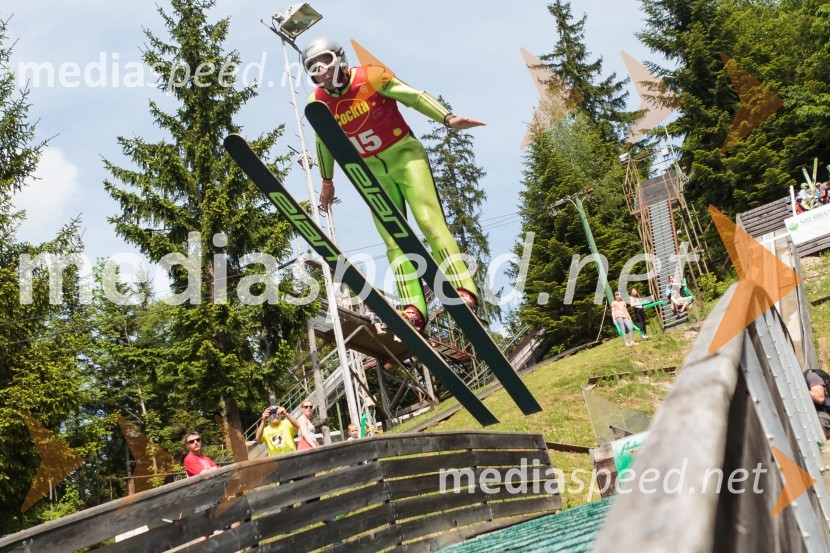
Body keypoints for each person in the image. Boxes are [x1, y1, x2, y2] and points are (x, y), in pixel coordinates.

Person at [303, 37, 485, 331]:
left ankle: (463, 290)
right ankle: (413, 308)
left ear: (338, 57)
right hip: (372, 173)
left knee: (429, 222)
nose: (321, 70)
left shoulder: (371, 75)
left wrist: (447, 117)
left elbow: (411, 95)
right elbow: (322, 139)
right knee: (393, 238)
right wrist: (327, 180)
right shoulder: (318, 103)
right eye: (313, 67)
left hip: (405, 156)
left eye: (323, 61)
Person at [805, 369, 830, 438]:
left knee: (820, 422)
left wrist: (801, 390)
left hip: (823, 412)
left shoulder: (811, 376)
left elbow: (819, 398)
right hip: (815, 413)